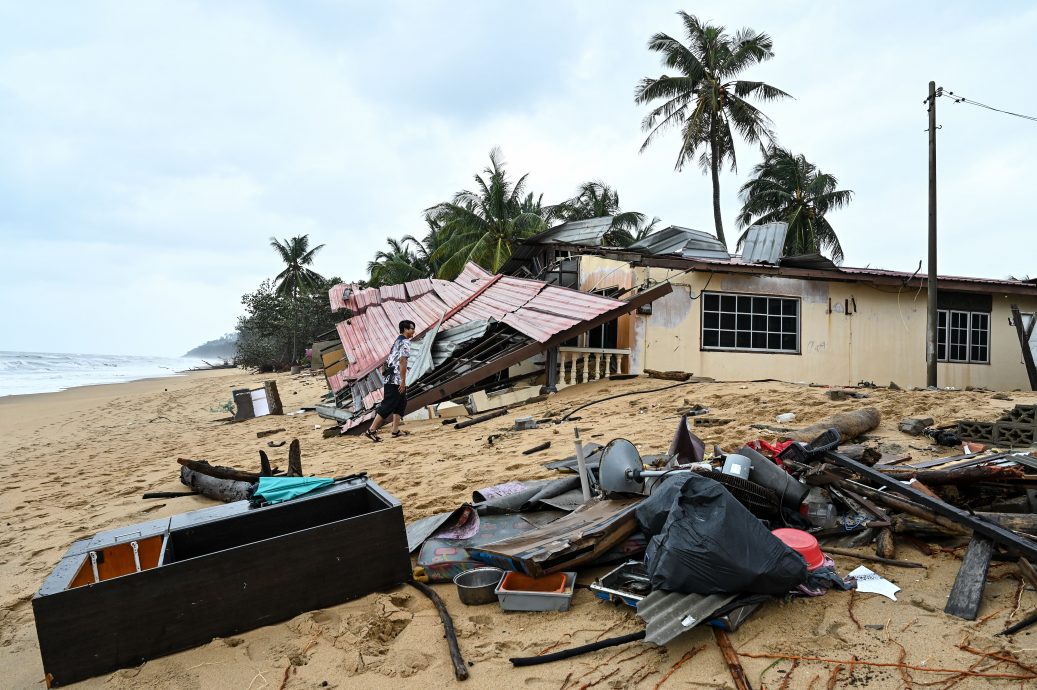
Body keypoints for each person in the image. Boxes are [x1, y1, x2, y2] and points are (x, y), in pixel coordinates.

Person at [365, 319, 415, 442]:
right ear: (405, 329)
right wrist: (403, 381)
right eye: (411, 328)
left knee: (401, 402)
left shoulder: (397, 341)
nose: (413, 331)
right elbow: (403, 361)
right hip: (395, 379)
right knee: (389, 404)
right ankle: (371, 430)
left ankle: (395, 430)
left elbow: (389, 359)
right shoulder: (405, 343)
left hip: (391, 376)